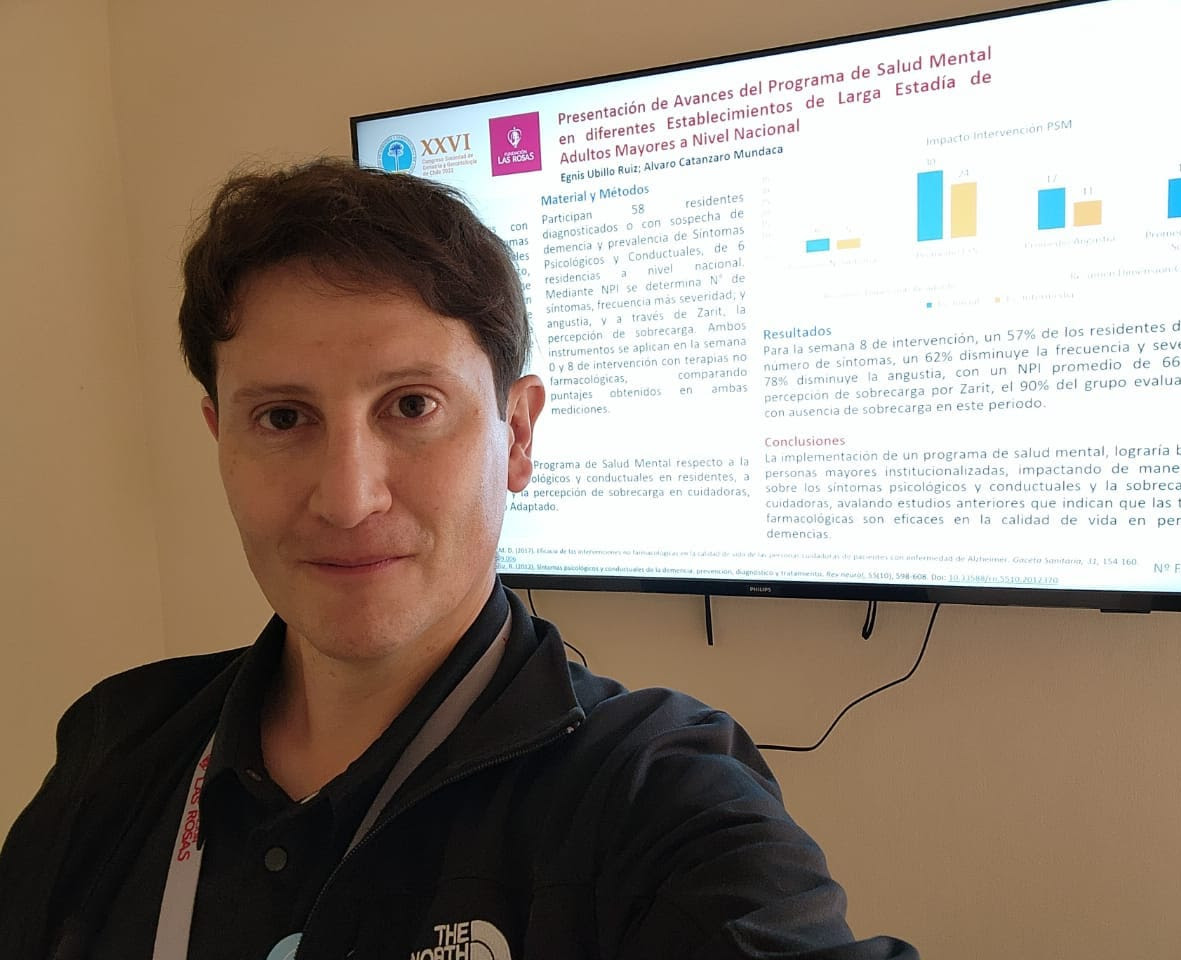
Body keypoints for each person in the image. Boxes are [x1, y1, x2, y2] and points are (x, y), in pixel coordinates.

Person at [0, 159, 916, 960]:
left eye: (411, 406)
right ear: (220, 440)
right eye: (282, 418)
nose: (348, 498)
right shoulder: (118, 747)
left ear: (517, 435)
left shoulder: (652, 796)